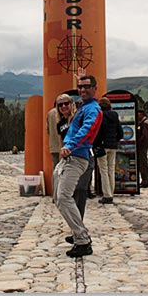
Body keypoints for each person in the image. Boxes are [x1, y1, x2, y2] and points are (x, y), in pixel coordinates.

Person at [53, 74, 103, 258]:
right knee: (59, 198)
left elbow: (87, 129)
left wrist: (69, 145)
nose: (82, 90)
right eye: (80, 87)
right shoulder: (84, 107)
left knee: (65, 197)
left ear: (94, 88)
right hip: (68, 158)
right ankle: (78, 233)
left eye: (86, 87)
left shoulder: (93, 109)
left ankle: (82, 240)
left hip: (76, 157)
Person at [56, 93, 95, 224]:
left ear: (71, 104)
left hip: (83, 157)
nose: (63, 106)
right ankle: (76, 228)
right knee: (67, 195)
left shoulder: (78, 118)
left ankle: (79, 228)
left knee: (80, 191)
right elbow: (62, 141)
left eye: (66, 103)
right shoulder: (60, 123)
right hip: (69, 159)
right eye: (60, 104)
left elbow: (86, 132)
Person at [93, 97, 123, 204]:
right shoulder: (114, 115)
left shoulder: (100, 115)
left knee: (103, 171)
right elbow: (120, 132)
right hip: (113, 145)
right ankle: (111, 192)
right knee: (111, 170)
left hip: (102, 145)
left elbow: (97, 132)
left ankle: (107, 195)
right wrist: (115, 140)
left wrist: (95, 144)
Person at [137, 109, 148, 188]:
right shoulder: (143, 122)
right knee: (142, 163)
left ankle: (145, 181)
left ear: (142, 114)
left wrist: (138, 143)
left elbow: (144, 136)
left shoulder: (145, 123)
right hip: (143, 146)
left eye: (138, 114)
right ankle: (144, 180)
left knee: (143, 163)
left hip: (142, 146)